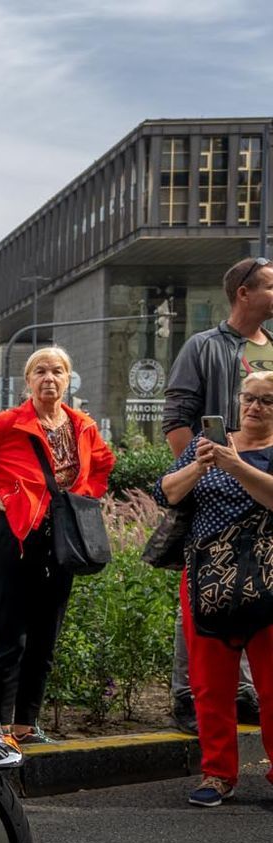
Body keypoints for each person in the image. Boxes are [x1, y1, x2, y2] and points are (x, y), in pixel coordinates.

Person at [0, 346, 115, 744]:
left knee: (44, 638)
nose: (49, 378)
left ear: (68, 379)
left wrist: (84, 498)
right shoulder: (7, 422)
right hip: (13, 538)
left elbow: (104, 462)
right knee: (10, 637)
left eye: (56, 371)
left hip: (63, 540)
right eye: (40, 372)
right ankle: (1, 729)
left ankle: (26, 726)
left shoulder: (82, 425)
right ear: (28, 381)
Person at [160, 255, 273, 733]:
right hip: (218, 492)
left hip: (266, 494)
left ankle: (245, 694)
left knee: (262, 598)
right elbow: (177, 420)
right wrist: (211, 475)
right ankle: (189, 696)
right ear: (244, 292)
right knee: (206, 590)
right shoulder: (204, 346)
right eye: (271, 284)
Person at [155, 366, 273, 805]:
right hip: (208, 576)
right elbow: (164, 491)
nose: (254, 406)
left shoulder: (247, 453)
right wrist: (201, 466)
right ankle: (217, 774)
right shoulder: (210, 445)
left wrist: (235, 466)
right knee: (209, 683)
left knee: (272, 682)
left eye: (266, 400)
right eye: (249, 397)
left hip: (269, 577)